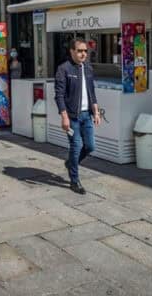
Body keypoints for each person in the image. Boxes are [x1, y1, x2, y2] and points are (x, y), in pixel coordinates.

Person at [55, 38, 101, 195]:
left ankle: (71, 163)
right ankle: (74, 181)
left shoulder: (87, 68)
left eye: (85, 51)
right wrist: (64, 116)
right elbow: (59, 95)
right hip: (72, 116)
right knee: (76, 146)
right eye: (80, 51)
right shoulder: (64, 69)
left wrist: (96, 111)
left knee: (90, 146)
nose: (83, 54)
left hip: (86, 115)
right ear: (72, 52)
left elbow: (91, 91)